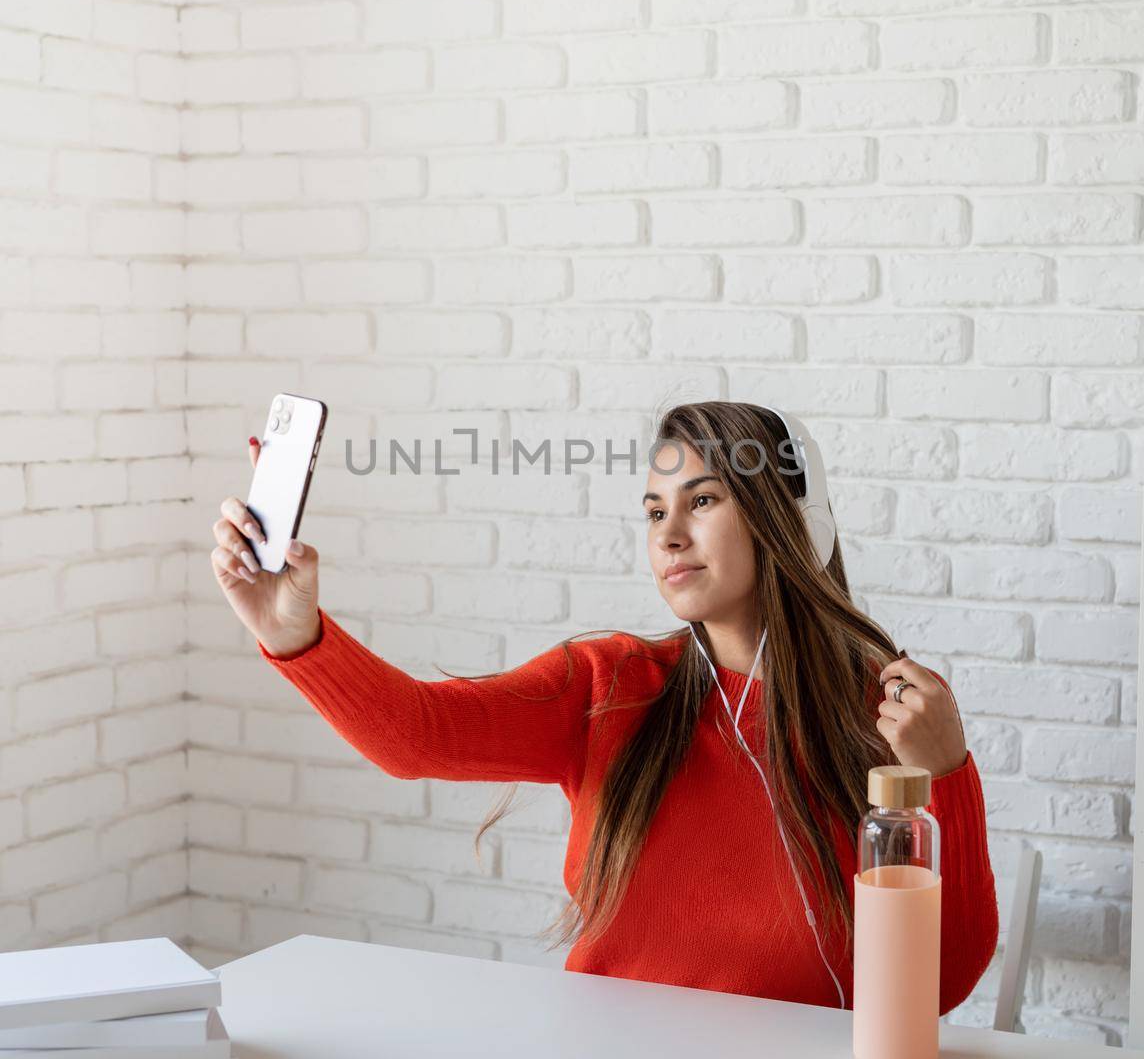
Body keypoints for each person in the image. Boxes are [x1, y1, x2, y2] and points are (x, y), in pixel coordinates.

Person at [210, 399, 998, 1013]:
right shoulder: (610, 686)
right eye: (656, 512)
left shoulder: (892, 717)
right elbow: (416, 735)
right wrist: (297, 636)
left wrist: (945, 774)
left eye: (704, 500)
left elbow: (939, 985)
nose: (670, 535)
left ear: (792, 520)